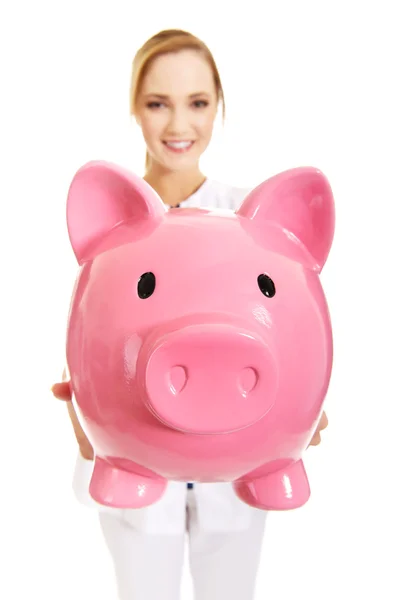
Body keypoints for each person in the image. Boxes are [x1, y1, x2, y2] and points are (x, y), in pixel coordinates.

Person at [52, 28, 329, 600]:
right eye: (159, 103)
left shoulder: (253, 226)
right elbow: (89, 340)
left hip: (240, 478)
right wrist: (86, 412)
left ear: (218, 106)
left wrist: (299, 411)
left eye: (197, 103)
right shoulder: (112, 233)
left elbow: (298, 335)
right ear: (134, 107)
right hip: (135, 474)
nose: (179, 125)